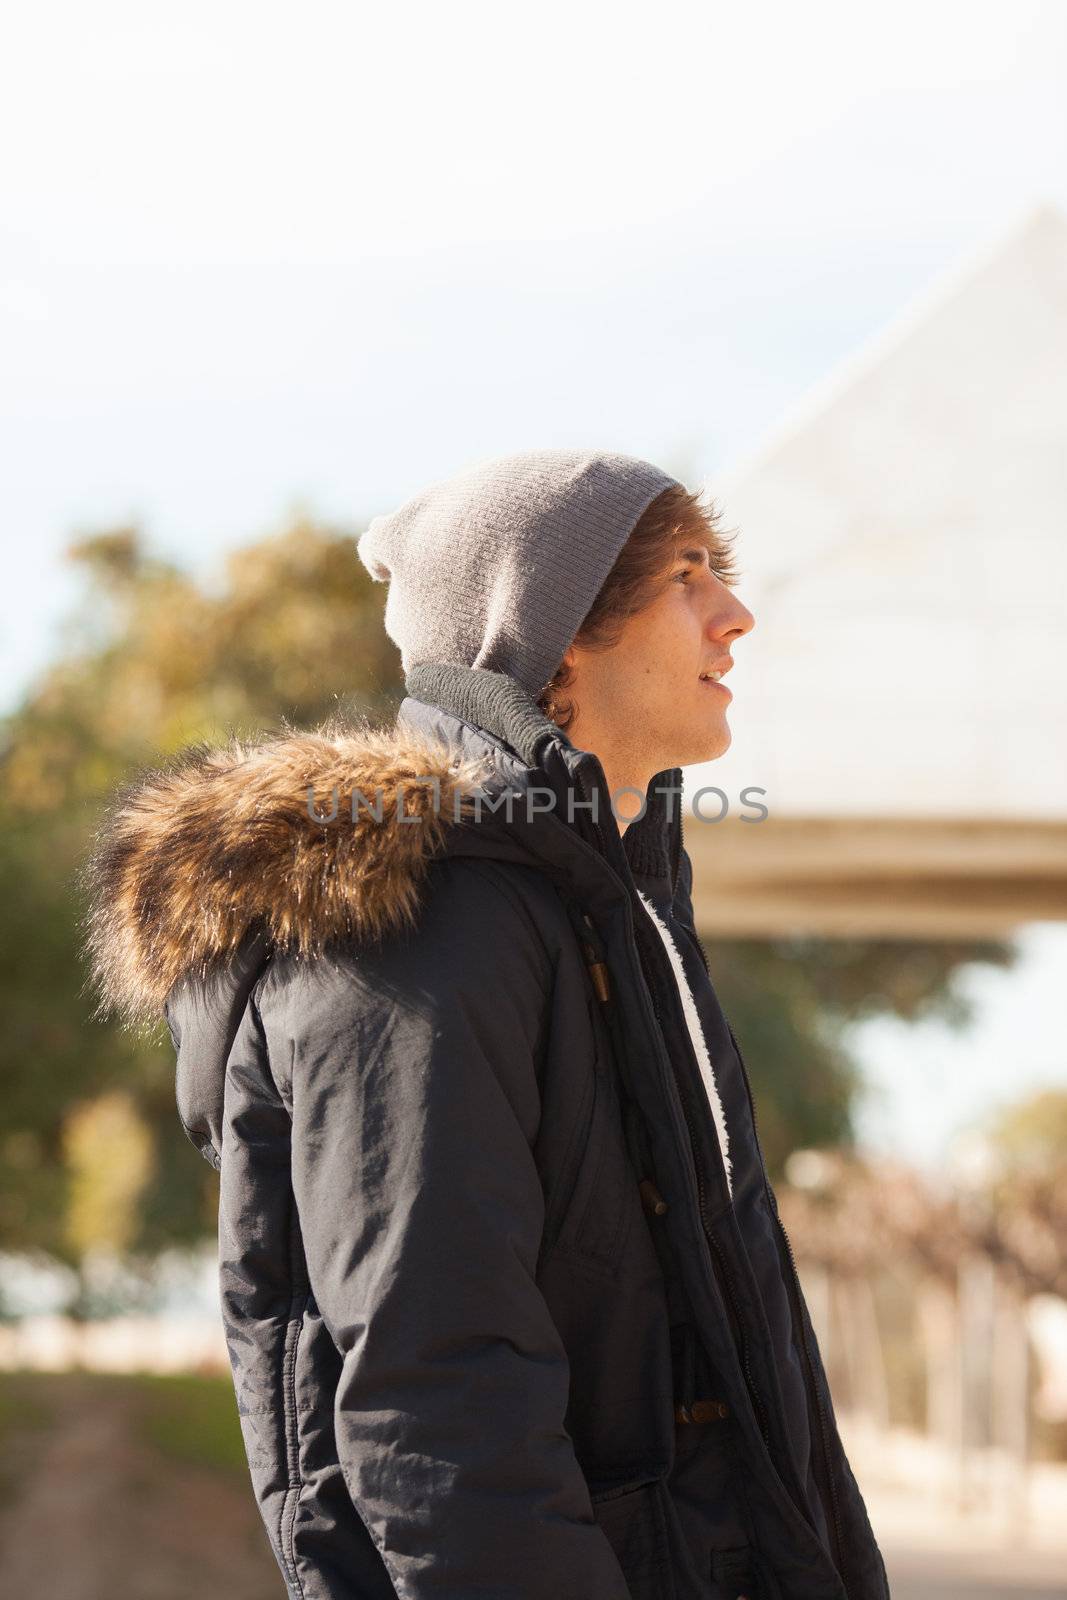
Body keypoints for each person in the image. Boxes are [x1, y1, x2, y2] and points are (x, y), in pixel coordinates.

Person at [83, 449, 890, 1600]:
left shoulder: (609, 909)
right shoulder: (420, 928)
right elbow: (439, 1390)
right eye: (686, 575)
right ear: (557, 631)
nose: (735, 615)